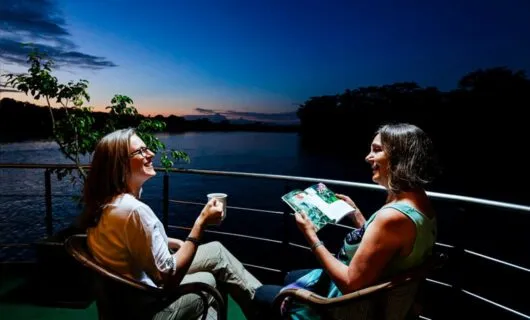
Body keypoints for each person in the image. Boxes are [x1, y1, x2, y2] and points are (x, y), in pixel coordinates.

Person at [252, 123, 440, 319]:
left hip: (353, 307)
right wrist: (356, 215)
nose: (368, 157)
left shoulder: (393, 217)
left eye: (376, 150)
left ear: (399, 156)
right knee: (291, 275)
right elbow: (387, 246)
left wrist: (311, 236)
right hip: (380, 293)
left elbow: (350, 284)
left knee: (262, 293)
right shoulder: (421, 203)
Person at [81, 128, 262, 320]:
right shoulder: (133, 210)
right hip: (146, 307)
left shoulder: (109, 203)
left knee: (216, 252)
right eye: (140, 151)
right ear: (120, 164)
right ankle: (271, 309)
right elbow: (167, 277)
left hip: (123, 299)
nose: (150, 153)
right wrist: (201, 223)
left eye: (147, 149)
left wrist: (172, 242)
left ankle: (266, 303)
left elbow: (132, 241)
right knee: (208, 281)